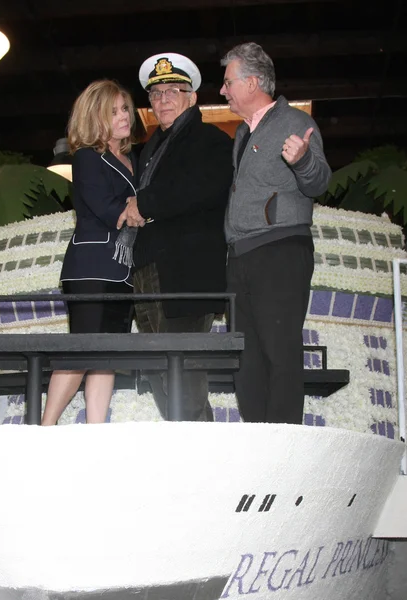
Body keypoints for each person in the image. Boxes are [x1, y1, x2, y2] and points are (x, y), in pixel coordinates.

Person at [116, 52, 233, 421]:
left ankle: (203, 458)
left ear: (192, 97)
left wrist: (143, 203)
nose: (163, 99)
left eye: (173, 90)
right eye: (156, 93)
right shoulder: (150, 147)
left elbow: (201, 187)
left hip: (187, 274)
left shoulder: (210, 140)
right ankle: (184, 445)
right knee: (155, 365)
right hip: (148, 267)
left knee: (184, 370)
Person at [220, 42, 332, 424]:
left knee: (280, 353)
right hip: (241, 256)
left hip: (280, 250)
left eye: (227, 82)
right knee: (245, 357)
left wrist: (302, 160)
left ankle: (286, 450)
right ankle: (260, 444)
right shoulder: (241, 133)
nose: (223, 91)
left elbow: (319, 182)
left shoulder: (295, 122)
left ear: (251, 83)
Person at [41, 80, 136, 425]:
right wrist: (140, 206)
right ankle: (46, 427)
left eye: (125, 108)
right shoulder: (86, 157)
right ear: (94, 117)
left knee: (105, 355)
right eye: (113, 112)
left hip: (122, 270)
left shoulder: (129, 158)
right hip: (90, 269)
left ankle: (97, 433)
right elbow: (103, 206)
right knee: (82, 350)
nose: (124, 116)